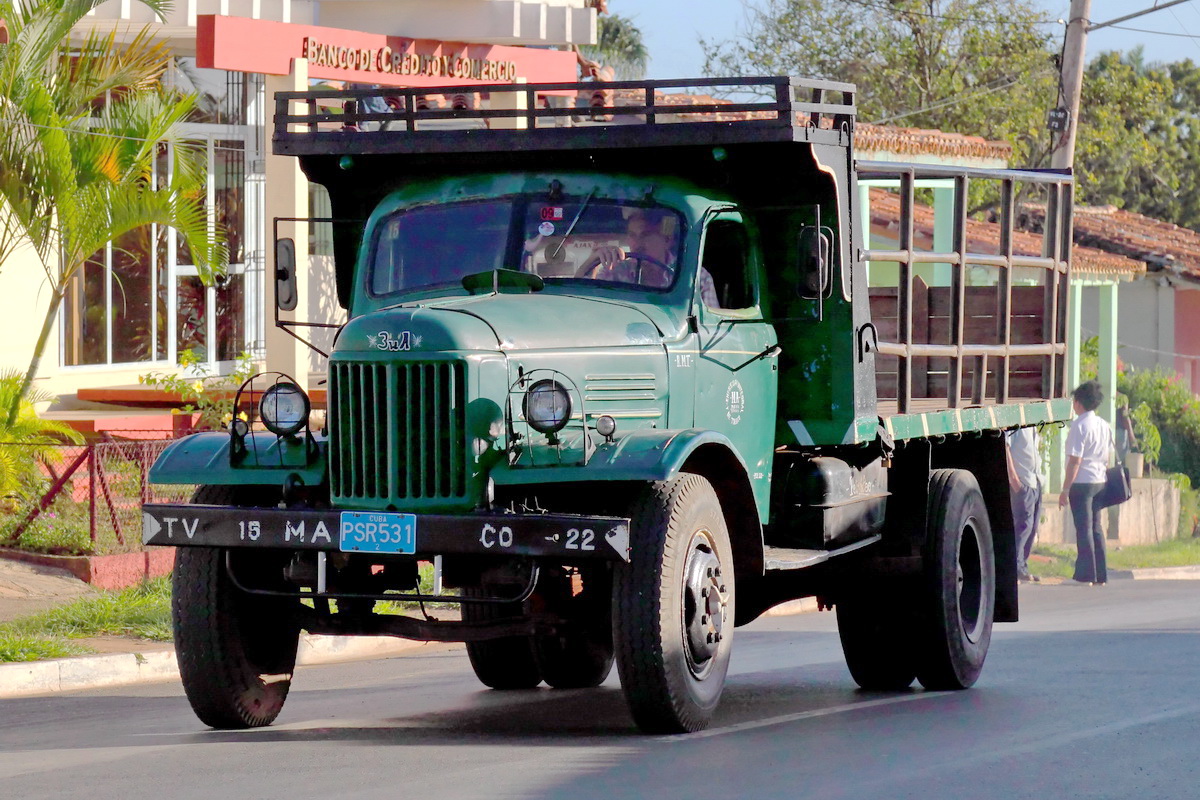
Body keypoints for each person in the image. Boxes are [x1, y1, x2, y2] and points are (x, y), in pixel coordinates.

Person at [1058, 380, 1114, 585]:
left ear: (1080, 403)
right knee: (1096, 528)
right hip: (1100, 480)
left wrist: (1065, 489)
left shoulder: (1079, 426)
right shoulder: (1104, 425)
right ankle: (1101, 574)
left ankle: (1085, 575)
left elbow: (1075, 461)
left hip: (1082, 483)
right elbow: (1107, 456)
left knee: (1083, 529)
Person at [1006, 426, 1042, 583]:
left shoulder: (1033, 426)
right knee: (1022, 527)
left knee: (1032, 527)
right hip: (1022, 481)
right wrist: (1013, 479)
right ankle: (1014, 570)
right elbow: (1005, 447)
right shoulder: (1015, 426)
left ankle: (1022, 567)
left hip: (1036, 481)